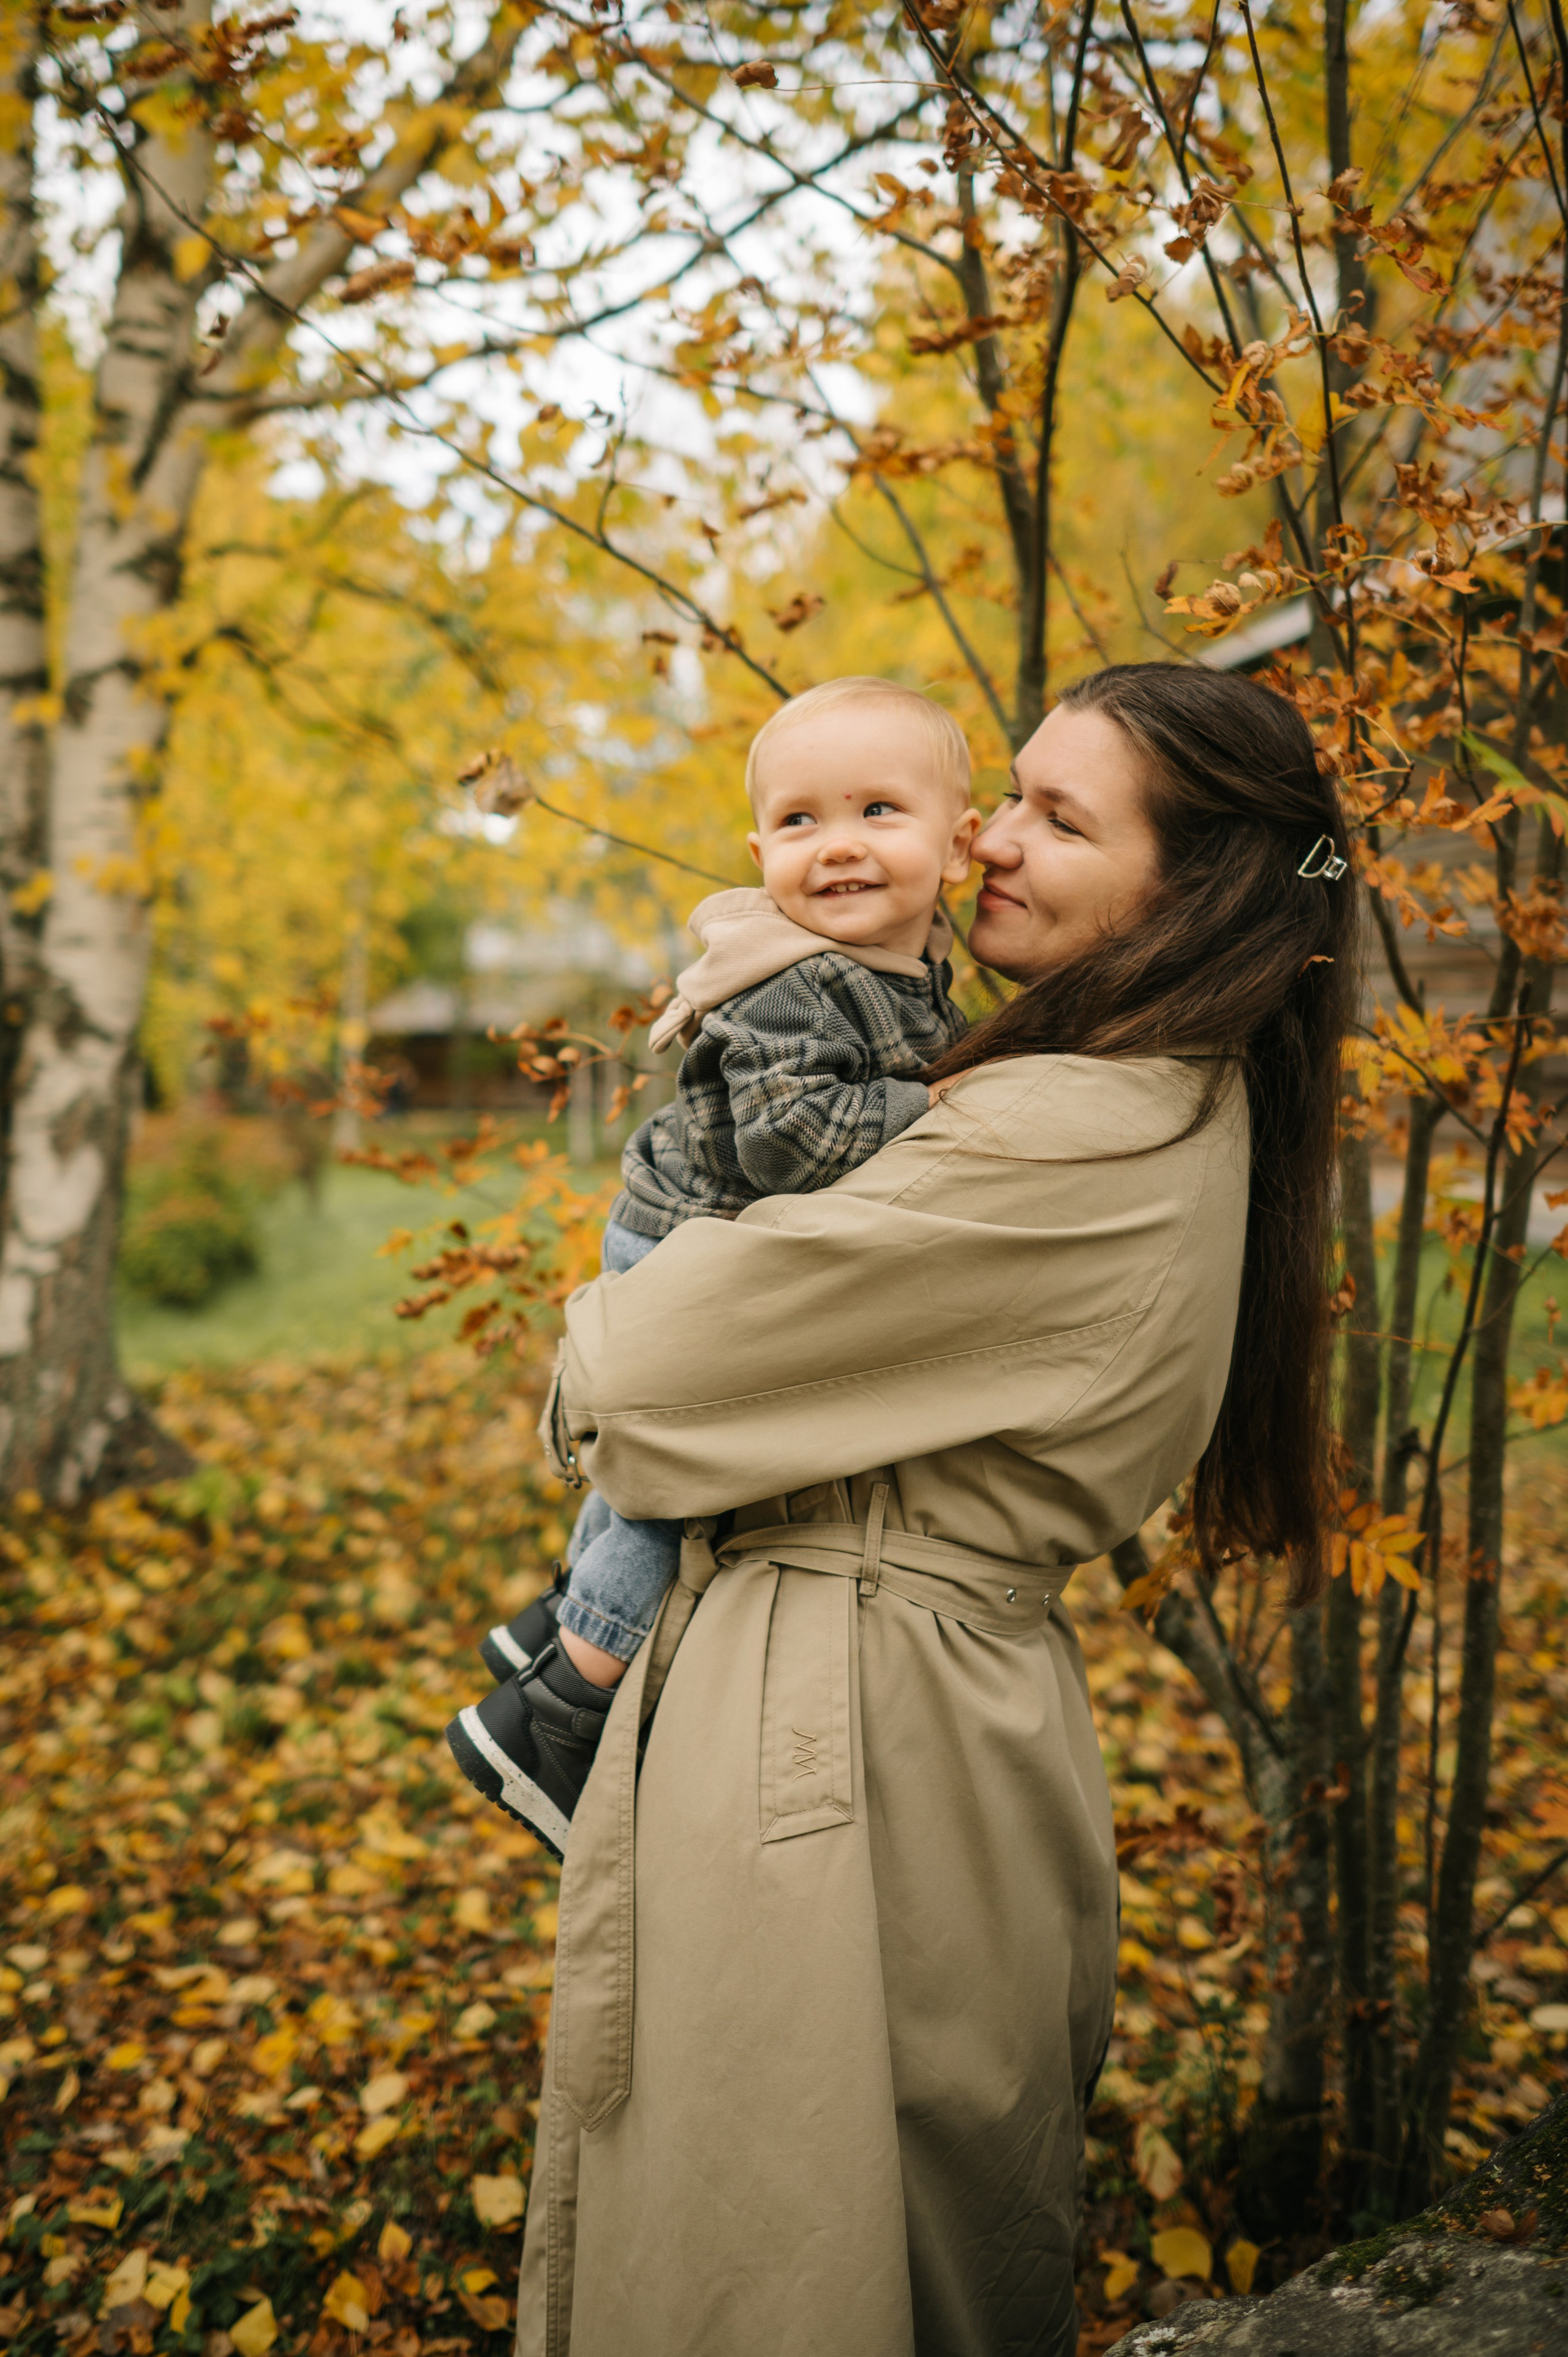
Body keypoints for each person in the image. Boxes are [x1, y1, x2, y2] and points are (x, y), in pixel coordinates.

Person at [514, 663, 1355, 2357]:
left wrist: (621, 1325)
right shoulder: (1140, 1090)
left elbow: (633, 1374)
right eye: (1006, 796)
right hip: (912, 1714)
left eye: (1060, 818)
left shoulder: (1061, 1129)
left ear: (1185, 891)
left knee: (774, 2253)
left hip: (844, 1741)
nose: (989, 846)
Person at [447, 677, 978, 1854]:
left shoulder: (906, 957)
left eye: (879, 812)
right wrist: (936, 1104)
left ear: (961, 841)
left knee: (673, 1455)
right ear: (758, 849)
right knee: (685, 1464)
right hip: (685, 1240)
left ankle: (549, 1628)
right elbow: (792, 1138)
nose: (837, 847)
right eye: (799, 822)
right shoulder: (804, 975)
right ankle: (561, 1707)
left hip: (698, 1231)